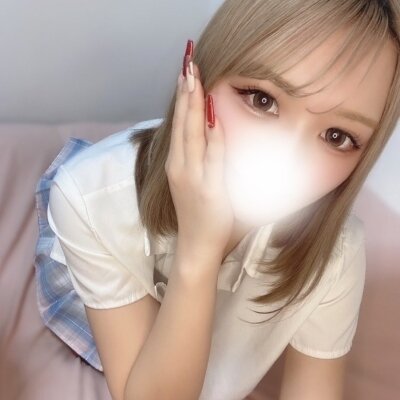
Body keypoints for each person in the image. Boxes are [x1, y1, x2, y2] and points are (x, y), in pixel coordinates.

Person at [34, 1, 400, 399]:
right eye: (262, 100)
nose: (289, 159)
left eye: (337, 137)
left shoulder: (336, 251)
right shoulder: (91, 198)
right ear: (199, 75)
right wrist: (199, 247)